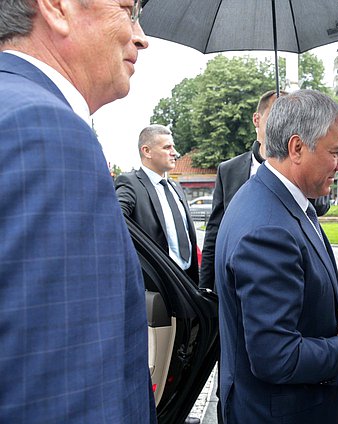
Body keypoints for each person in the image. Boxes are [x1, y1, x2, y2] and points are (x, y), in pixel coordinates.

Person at [0, 1, 156, 422]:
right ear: (56, 7)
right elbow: (64, 399)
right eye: (128, 8)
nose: (141, 36)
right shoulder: (46, 131)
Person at [215, 90, 338, 423]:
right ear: (296, 148)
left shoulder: (274, 199)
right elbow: (277, 357)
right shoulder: (269, 228)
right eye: (336, 152)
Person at [199, 90, 329, 291]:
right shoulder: (229, 170)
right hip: (232, 281)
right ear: (256, 119)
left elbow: (320, 208)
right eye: (274, 117)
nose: (281, 124)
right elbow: (214, 231)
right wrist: (205, 287)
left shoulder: (300, 167)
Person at [115, 125, 199, 284]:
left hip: (189, 284)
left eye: (173, 147)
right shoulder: (131, 184)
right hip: (158, 286)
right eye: (167, 147)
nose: (174, 152)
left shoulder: (176, 188)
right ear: (146, 151)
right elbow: (115, 222)